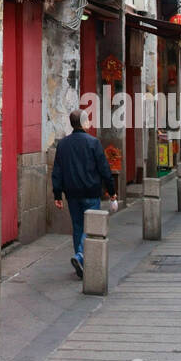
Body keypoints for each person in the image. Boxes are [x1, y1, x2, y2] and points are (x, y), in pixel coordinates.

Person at [52, 109, 116, 280]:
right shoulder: (93, 143)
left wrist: (57, 195)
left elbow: (57, 171)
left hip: (71, 193)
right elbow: (104, 169)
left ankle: (80, 262)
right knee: (90, 227)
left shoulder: (63, 144)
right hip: (90, 191)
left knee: (78, 226)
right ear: (83, 122)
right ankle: (81, 256)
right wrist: (112, 191)